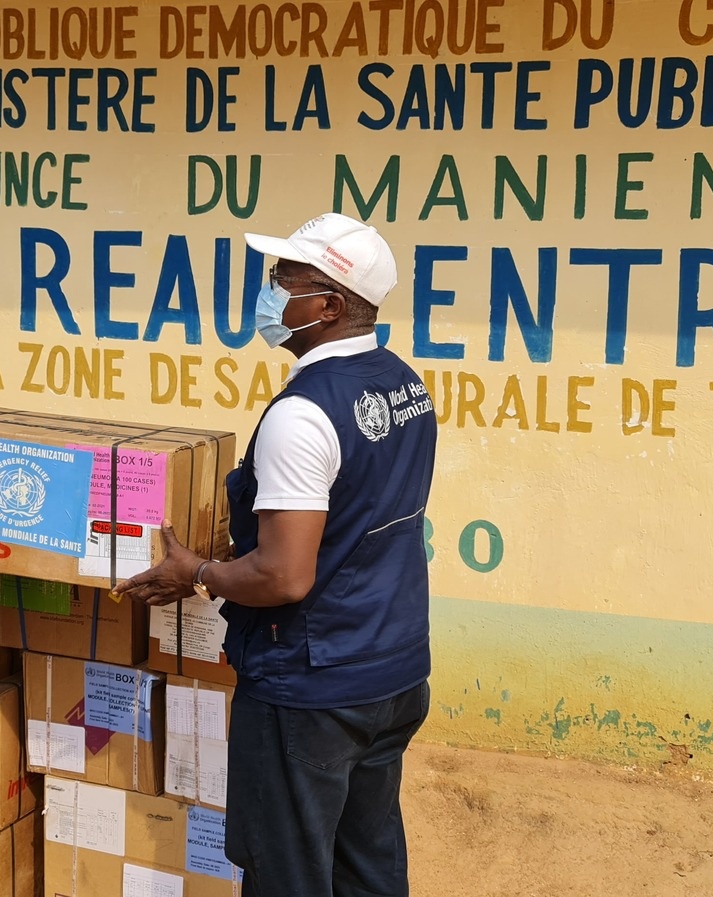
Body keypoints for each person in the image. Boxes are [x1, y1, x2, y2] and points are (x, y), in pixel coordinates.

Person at [116, 212, 438, 897]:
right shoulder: (406, 385)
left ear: (326, 305)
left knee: (286, 871)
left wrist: (198, 573)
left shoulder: (302, 413)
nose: (268, 292)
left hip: (315, 687)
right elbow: (358, 518)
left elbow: (286, 574)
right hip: (395, 670)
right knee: (366, 863)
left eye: (283, 280)